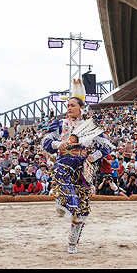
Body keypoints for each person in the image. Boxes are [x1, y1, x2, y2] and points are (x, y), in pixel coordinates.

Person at [42, 78, 112, 254]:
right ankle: (61, 200)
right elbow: (46, 142)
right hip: (64, 165)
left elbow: (106, 147)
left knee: (82, 209)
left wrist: (92, 157)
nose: (69, 108)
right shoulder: (60, 124)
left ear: (81, 108)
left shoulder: (90, 127)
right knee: (71, 199)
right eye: (68, 106)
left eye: (73, 105)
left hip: (82, 169)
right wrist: (59, 145)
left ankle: (72, 243)